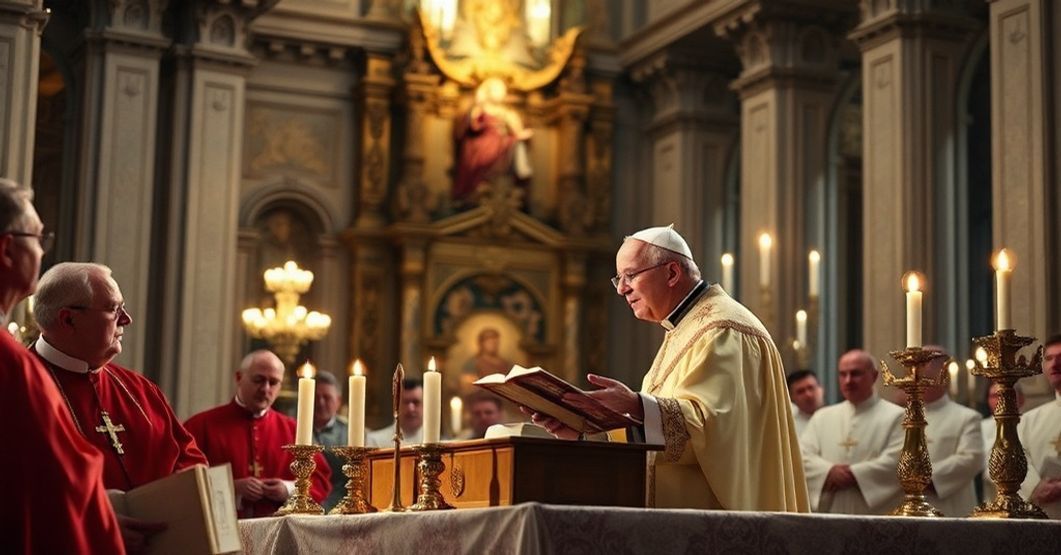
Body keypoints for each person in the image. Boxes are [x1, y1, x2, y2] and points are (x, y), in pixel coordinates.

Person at [530, 224, 808, 511]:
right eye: (619, 279)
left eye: (630, 275)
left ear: (672, 273)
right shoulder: (683, 329)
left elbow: (711, 430)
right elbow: (653, 437)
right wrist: (583, 432)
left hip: (714, 522)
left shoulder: (723, 330)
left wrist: (637, 404)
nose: (622, 289)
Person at [0, 179, 125, 553]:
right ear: (7, 248)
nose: (42, 251)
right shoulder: (12, 367)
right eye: (38, 239)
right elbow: (59, 488)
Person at [31, 262, 208, 492]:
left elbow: (190, 459)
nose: (126, 319)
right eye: (114, 309)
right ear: (68, 320)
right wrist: (96, 510)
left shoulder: (141, 390)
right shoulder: (17, 386)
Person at [184, 350, 330, 517]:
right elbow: (182, 482)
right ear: (239, 378)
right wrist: (231, 487)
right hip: (220, 531)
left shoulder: (293, 430)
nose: (265, 389)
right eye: (258, 380)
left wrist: (287, 489)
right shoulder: (201, 425)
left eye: (273, 382)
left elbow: (321, 481)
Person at [800, 350, 904, 514]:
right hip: (830, 513)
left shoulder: (897, 416)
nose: (848, 381)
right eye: (843, 374)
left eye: (855, 374)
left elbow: (898, 461)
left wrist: (855, 475)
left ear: (874, 376)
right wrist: (828, 472)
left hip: (878, 515)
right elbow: (801, 456)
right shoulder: (822, 417)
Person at [914, 346, 984, 516]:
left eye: (925, 375)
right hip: (907, 506)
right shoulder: (900, 418)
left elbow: (971, 458)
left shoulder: (967, 417)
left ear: (944, 375)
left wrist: (921, 478)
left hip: (950, 508)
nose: (918, 380)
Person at [452, 77, 533, 204]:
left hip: (500, 148)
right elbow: (468, 128)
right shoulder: (478, 109)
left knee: (501, 166)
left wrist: (518, 137)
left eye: (502, 90)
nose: (500, 92)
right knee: (477, 170)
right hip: (479, 148)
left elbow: (518, 132)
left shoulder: (507, 113)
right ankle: (473, 192)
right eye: (497, 89)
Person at [1017, 334, 1061, 518]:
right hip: (1043, 514)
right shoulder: (1029, 420)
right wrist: (1036, 487)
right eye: (1048, 358)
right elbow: (1018, 459)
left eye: (1060, 358)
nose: (1054, 364)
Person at [980, 381, 1033, 503]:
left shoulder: (1029, 423)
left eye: (1004, 395)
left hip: (1025, 493)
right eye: (994, 396)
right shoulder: (981, 427)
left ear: (1021, 398)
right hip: (991, 495)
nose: (999, 400)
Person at [313, 370, 348, 511]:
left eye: (327, 398)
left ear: (338, 401)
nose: (320, 402)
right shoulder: (292, 428)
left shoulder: (351, 433)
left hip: (339, 505)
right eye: (315, 397)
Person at [366, 378, 424, 446]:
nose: (410, 408)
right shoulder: (375, 441)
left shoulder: (436, 442)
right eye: (405, 402)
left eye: (416, 402)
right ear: (395, 405)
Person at [787, 370, 824, 437]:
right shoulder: (788, 426)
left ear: (821, 389)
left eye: (811, 388)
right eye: (800, 391)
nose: (808, 395)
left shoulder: (836, 418)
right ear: (791, 398)